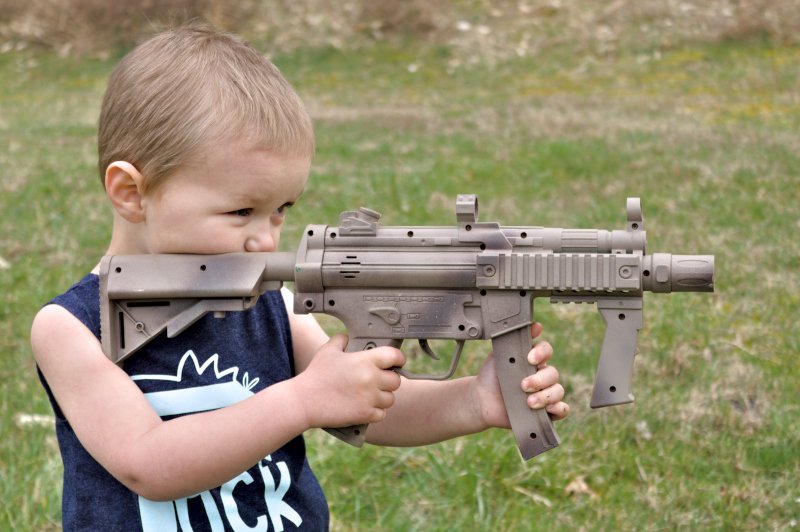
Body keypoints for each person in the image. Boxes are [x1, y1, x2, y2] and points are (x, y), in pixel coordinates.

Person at [31, 25, 569, 530]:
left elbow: (372, 404)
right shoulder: (72, 329)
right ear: (131, 193)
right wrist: (302, 401)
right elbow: (148, 463)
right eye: (241, 212)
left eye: (281, 209)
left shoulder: (272, 306)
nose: (265, 239)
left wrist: (472, 402)